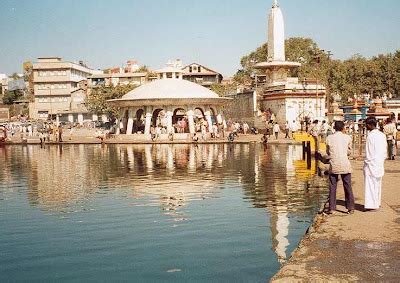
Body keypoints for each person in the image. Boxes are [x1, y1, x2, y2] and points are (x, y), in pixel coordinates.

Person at [325, 120, 355, 214]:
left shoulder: (329, 138)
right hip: (345, 164)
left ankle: (332, 208)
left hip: (334, 164)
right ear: (343, 128)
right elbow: (349, 151)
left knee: (333, 186)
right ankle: (350, 208)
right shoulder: (347, 137)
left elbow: (328, 151)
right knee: (347, 185)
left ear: (334, 128)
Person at [364, 117, 387, 210]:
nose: (366, 126)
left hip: (371, 163)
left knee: (370, 185)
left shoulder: (370, 136)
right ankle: (377, 202)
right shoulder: (382, 135)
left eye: (366, 125)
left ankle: (371, 205)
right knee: (377, 184)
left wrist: (367, 162)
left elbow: (368, 152)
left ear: (370, 125)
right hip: (379, 162)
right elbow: (385, 150)